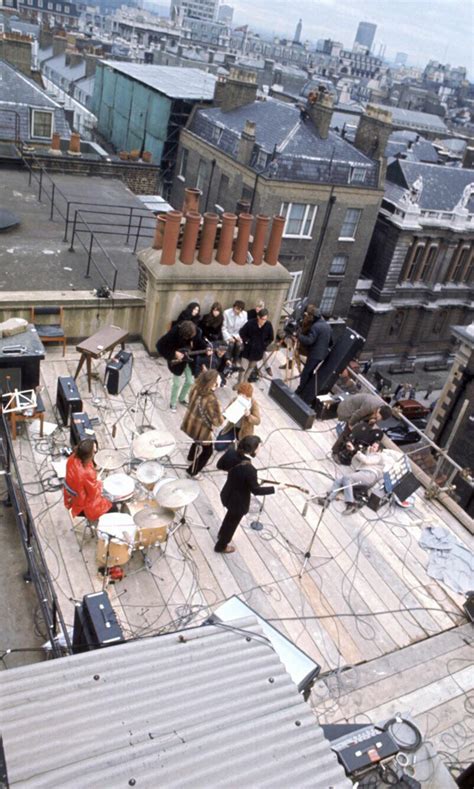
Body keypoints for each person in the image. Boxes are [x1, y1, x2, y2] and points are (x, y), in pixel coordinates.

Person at [214, 435, 276, 554]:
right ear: (253, 449)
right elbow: (256, 490)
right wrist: (276, 488)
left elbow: (219, 465)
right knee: (232, 525)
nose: (260, 450)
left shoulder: (231, 452)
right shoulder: (250, 470)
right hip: (238, 503)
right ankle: (221, 545)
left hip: (227, 493)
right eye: (259, 447)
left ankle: (221, 534)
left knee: (229, 518)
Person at [156, 320, 208, 412]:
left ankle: (182, 398)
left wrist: (207, 350)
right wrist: (174, 353)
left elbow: (200, 345)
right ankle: (173, 403)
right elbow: (160, 345)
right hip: (177, 362)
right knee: (177, 383)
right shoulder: (174, 332)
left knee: (190, 381)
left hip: (190, 360)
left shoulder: (197, 332)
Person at [320, 441, 385, 515]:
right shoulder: (369, 453)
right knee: (339, 481)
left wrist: (356, 451)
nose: (372, 447)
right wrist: (354, 450)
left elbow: (367, 461)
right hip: (362, 473)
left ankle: (351, 503)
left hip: (369, 475)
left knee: (347, 478)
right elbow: (357, 462)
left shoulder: (378, 456)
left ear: (379, 450)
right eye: (372, 445)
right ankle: (327, 499)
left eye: (374, 447)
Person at [181, 369, 224, 478]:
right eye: (218, 381)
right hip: (201, 429)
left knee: (196, 440)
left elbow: (191, 400)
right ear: (213, 383)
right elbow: (218, 422)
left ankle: (191, 457)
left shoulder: (195, 386)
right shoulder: (212, 400)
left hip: (190, 422)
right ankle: (192, 471)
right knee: (207, 452)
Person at [63, 439, 115, 521]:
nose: (95, 451)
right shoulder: (87, 473)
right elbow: (93, 494)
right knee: (113, 506)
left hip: (72, 498)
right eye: (94, 451)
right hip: (82, 505)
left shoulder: (72, 458)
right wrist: (98, 482)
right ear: (88, 455)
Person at [332, 393, 392, 458]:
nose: (378, 419)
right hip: (348, 410)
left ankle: (348, 449)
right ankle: (335, 451)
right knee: (348, 432)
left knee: (362, 429)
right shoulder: (370, 405)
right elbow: (357, 415)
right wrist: (351, 425)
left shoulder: (382, 407)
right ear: (379, 411)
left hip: (358, 411)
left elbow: (369, 416)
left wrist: (373, 419)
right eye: (378, 417)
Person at [294, 308, 332, 399]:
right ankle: (306, 390)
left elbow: (309, 341)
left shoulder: (316, 326)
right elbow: (331, 343)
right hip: (321, 355)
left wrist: (299, 336)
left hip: (314, 354)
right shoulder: (328, 327)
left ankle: (300, 390)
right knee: (310, 372)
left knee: (306, 373)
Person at [238, 308, 274, 383]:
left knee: (250, 368)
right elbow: (242, 332)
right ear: (258, 317)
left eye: (265, 319)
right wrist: (247, 341)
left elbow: (271, 338)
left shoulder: (268, 325)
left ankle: (244, 383)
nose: (264, 321)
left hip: (258, 352)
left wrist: (264, 345)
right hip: (248, 350)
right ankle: (239, 383)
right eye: (263, 319)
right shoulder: (250, 323)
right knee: (242, 369)